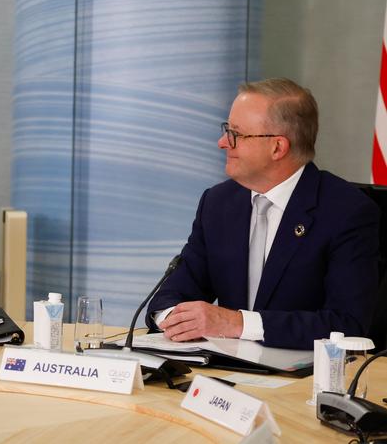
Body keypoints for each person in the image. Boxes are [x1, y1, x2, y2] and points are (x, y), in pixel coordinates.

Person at [146, 78, 379, 349]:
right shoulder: (219, 203)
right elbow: (171, 295)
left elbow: (347, 324)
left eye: (236, 134)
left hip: (304, 378)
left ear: (278, 147)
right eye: (226, 130)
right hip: (221, 373)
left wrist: (238, 324)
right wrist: (173, 319)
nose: (222, 142)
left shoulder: (346, 211)